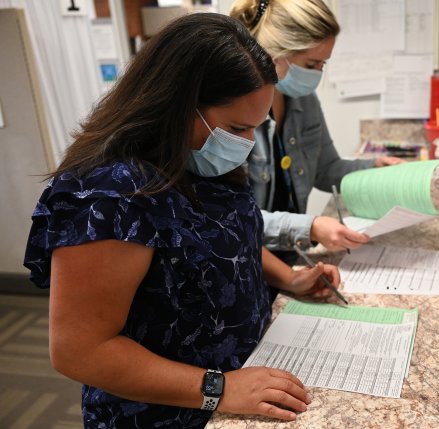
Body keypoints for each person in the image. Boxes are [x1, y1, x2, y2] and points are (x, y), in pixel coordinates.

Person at [23, 14, 340, 428]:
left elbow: (226, 237)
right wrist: (219, 388)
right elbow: (79, 349)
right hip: (165, 411)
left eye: (254, 128)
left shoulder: (200, 158)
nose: (246, 144)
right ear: (175, 105)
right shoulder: (110, 195)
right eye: (237, 128)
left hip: (246, 379)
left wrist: (288, 277)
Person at [230, 0, 406, 266]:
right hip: (247, 263)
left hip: (290, 256)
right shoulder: (234, 113)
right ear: (274, 53)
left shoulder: (303, 99)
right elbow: (229, 216)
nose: (318, 75)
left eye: (323, 64)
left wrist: (374, 168)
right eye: (311, 65)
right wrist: (310, 228)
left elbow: (325, 170)